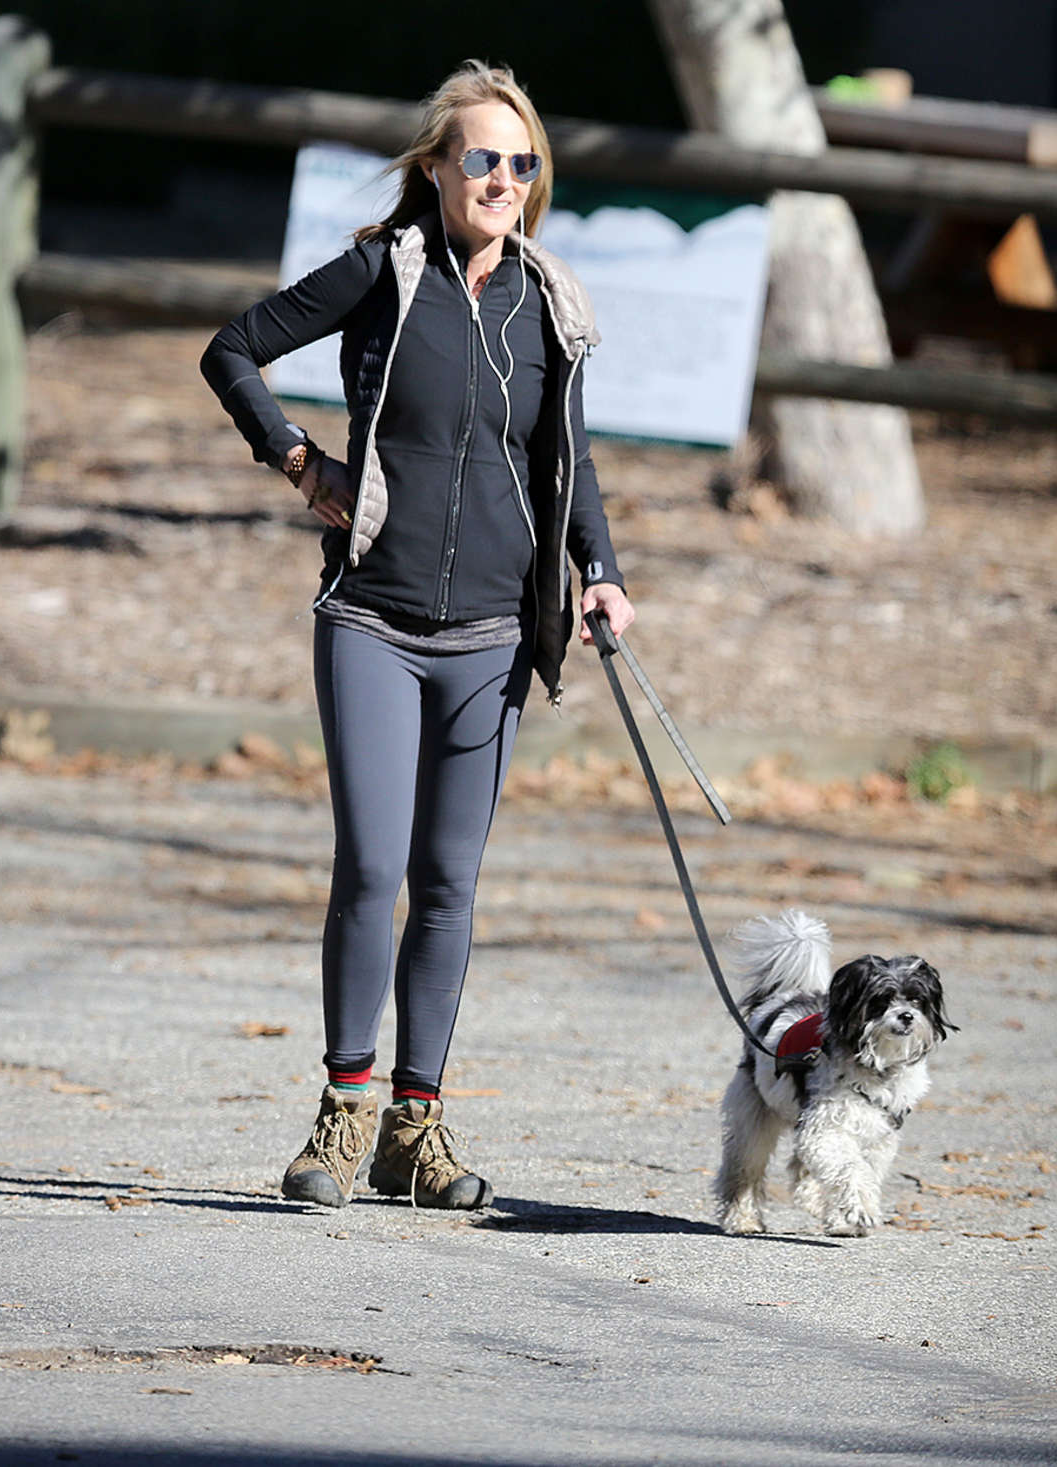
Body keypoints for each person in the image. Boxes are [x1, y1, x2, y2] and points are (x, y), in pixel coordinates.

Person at [201, 60, 633, 1211]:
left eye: (522, 162)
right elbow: (231, 349)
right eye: (481, 159)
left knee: (448, 886)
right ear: (437, 169)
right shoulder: (382, 276)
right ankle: (341, 1120)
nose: (502, 179)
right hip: (373, 621)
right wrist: (299, 461)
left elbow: (569, 461)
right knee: (373, 869)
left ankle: (414, 1130)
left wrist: (599, 572)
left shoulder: (549, 303)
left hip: (495, 633)